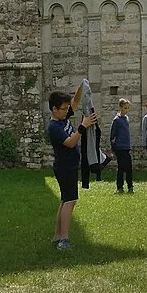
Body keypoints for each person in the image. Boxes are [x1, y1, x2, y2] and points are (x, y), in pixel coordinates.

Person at [46, 91, 82, 250]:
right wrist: (83, 127)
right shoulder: (54, 126)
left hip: (68, 165)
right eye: (64, 109)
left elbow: (75, 101)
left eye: (67, 109)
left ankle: (57, 236)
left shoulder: (63, 117)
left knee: (65, 200)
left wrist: (82, 87)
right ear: (55, 109)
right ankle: (64, 239)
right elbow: (70, 143)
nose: (68, 111)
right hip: (65, 166)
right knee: (70, 200)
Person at [109, 100, 134, 193]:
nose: (126, 110)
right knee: (121, 167)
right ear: (120, 107)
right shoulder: (117, 120)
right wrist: (113, 147)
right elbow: (113, 135)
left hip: (126, 147)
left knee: (129, 167)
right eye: (124, 108)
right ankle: (120, 186)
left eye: (128, 108)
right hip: (120, 147)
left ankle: (130, 186)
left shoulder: (126, 118)